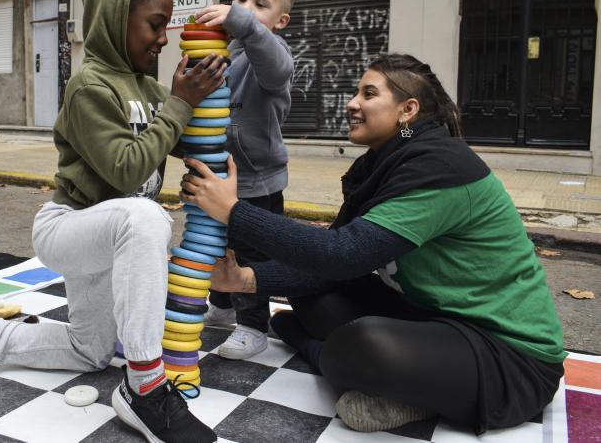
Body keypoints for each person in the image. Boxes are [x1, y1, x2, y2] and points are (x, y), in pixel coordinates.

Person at [0, 0, 226, 443]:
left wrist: (207, 97)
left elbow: (186, 143)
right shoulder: (88, 86)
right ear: (114, 17)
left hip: (114, 237)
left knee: (89, 351)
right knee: (148, 217)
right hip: (69, 226)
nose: (163, 39)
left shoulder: (154, 89)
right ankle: (145, 390)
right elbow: (128, 167)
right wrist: (179, 104)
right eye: (154, 25)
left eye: (166, 26)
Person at [179, 53, 565, 434]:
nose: (352, 104)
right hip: (433, 319)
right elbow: (332, 264)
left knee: (363, 343)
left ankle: (329, 356)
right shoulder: (387, 162)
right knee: (312, 289)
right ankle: (370, 369)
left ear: (407, 110)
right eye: (355, 93)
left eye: (368, 94)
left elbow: (344, 254)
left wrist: (233, 211)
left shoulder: (440, 166)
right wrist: (242, 279)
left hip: (510, 359)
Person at [191, 0, 298, 360]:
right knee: (216, 244)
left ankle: (253, 326)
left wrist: (244, 22)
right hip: (216, 175)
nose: (246, 8)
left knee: (253, 254)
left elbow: (277, 67)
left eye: (260, 4)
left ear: (280, 19)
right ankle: (220, 306)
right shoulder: (225, 53)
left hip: (257, 181)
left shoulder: (273, 54)